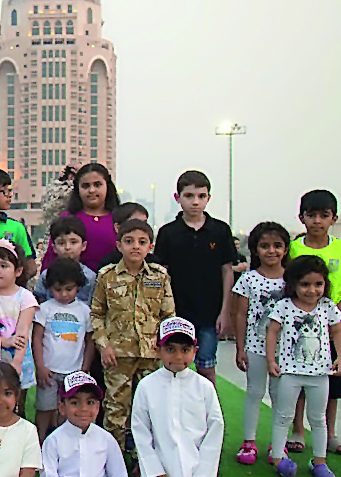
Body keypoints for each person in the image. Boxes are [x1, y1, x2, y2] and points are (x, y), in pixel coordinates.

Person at [132, 317, 231, 477]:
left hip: (194, 469)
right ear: (159, 351)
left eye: (185, 350)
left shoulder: (204, 387)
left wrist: (203, 476)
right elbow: (140, 431)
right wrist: (155, 473)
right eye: (170, 349)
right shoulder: (147, 386)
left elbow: (215, 430)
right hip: (162, 470)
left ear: (195, 351)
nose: (178, 357)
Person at [287, 190, 341, 457]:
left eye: (324, 215)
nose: (317, 221)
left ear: (334, 218)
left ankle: (329, 434)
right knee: (299, 381)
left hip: (330, 330)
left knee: (332, 383)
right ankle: (297, 429)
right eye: (311, 215)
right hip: (298, 328)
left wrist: (336, 314)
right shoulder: (294, 249)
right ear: (302, 217)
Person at [89, 219, 175, 450]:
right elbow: (97, 314)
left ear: (150, 247)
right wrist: (103, 346)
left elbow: (169, 317)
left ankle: (144, 465)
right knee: (116, 411)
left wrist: (166, 350)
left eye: (142, 242)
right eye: (129, 241)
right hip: (118, 355)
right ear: (119, 246)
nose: (135, 246)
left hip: (151, 355)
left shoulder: (160, 276)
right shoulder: (107, 277)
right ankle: (114, 464)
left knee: (149, 411)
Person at [31, 371, 138, 477]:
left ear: (98, 407)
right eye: (75, 403)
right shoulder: (53, 440)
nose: (83, 409)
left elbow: (119, 476)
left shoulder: (106, 438)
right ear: (62, 407)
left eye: (90, 403)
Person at [267, 255, 341, 477]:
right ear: (293, 284)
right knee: (284, 416)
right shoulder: (283, 306)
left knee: (318, 418)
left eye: (318, 284)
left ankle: (319, 462)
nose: (312, 290)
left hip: (320, 374)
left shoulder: (327, 307)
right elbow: (272, 332)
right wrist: (271, 360)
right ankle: (278, 458)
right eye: (305, 284)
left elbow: (337, 332)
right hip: (289, 373)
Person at [154, 171, 235, 384]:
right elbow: (161, 275)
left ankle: (209, 416)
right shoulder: (168, 233)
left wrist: (225, 312)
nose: (195, 202)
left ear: (208, 197)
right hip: (176, 314)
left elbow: (227, 271)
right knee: (175, 369)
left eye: (201, 196)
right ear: (177, 198)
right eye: (189, 196)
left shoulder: (220, 230)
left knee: (207, 369)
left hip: (210, 315)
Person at [231, 221, 290, 464]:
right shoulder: (248, 279)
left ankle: (279, 446)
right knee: (255, 392)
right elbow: (240, 314)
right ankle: (249, 442)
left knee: (280, 396)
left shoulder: (292, 281)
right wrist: (240, 347)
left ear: (286, 249)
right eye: (264, 246)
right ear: (255, 250)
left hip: (284, 350)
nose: (271, 251)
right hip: (255, 347)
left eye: (277, 246)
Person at [32, 259, 95, 441]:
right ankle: (40, 441)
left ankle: (62, 442)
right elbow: (36, 338)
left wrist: (84, 369)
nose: (63, 294)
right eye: (58, 290)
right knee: (44, 407)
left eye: (69, 289)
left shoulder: (84, 311)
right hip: (49, 370)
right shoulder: (45, 309)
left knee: (68, 409)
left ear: (78, 287)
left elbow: (90, 341)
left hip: (73, 371)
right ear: (50, 288)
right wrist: (41, 367)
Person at [43, 162, 120, 270]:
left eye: (97, 185)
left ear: (108, 185)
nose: (92, 190)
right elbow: (50, 262)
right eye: (85, 186)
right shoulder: (66, 220)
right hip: (75, 284)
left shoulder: (120, 219)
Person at [0, 239, 38, 394]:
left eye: (3, 266)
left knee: (15, 401)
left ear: (18, 271)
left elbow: (22, 334)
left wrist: (16, 363)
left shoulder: (25, 298)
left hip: (17, 358)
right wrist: (4, 341)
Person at [33, 216, 96, 305]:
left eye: (73, 242)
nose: (67, 247)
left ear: (83, 245)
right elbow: (40, 301)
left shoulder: (90, 277)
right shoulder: (46, 275)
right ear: (54, 248)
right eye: (61, 243)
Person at [94, 202, 151, 271]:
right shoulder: (107, 266)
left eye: (144, 223)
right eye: (133, 223)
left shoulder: (154, 265)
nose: (140, 227)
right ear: (117, 227)